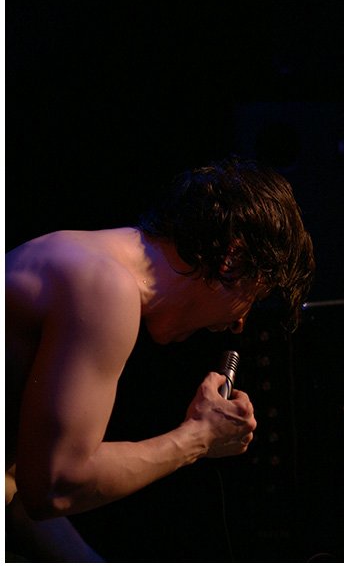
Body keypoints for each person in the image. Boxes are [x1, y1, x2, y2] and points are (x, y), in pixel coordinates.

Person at [5, 157, 314, 561]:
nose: (240, 322)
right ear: (232, 259)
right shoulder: (105, 287)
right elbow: (54, 485)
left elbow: (18, 487)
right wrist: (197, 438)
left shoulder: (88, 260)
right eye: (253, 297)